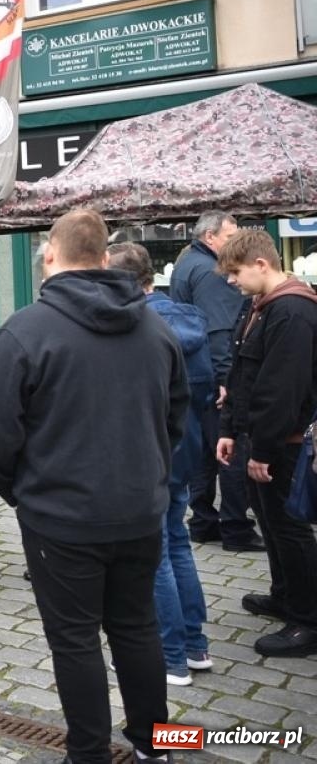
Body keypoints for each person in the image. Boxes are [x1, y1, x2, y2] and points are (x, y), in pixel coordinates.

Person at [0, 208, 187, 764]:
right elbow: (176, 419)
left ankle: (88, 753)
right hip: (139, 510)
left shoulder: (24, 331)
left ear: (50, 254)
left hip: (60, 517)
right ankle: (156, 744)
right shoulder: (156, 328)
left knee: (75, 639)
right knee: (136, 627)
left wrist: (22, 493)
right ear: (103, 257)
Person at [107, 243, 215, 685]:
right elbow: (204, 390)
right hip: (184, 448)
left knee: (156, 557)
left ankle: (168, 657)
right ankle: (195, 646)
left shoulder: (138, 326)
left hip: (151, 455)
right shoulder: (187, 318)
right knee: (178, 543)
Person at [213, 228, 317, 658]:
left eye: (235, 273)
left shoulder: (292, 311)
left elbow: (281, 390)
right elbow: (242, 375)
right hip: (262, 436)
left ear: (261, 264)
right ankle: (285, 597)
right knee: (272, 523)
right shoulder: (259, 305)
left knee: (290, 529)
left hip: (285, 443)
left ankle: (308, 620)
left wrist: (263, 452)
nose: (232, 281)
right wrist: (229, 428)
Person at [171, 212, 262, 550]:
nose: (236, 241)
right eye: (230, 235)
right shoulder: (212, 273)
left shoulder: (187, 261)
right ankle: (235, 528)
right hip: (213, 374)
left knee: (205, 454)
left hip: (194, 372)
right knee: (230, 451)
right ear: (211, 237)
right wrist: (227, 381)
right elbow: (220, 330)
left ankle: (204, 521)